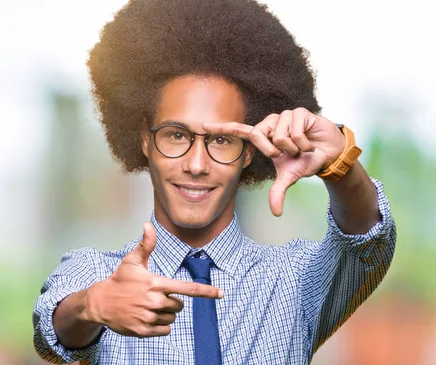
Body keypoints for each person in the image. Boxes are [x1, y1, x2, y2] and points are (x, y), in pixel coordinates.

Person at [32, 0, 397, 364]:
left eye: (221, 140)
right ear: (144, 138)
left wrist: (340, 165)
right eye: (176, 135)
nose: (196, 164)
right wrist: (92, 305)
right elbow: (52, 330)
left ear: (250, 150)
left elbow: (367, 242)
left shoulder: (295, 282)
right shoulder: (97, 273)